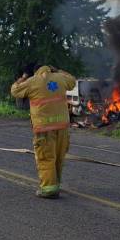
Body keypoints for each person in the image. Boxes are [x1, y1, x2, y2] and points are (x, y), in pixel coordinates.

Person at [11, 64, 76, 198]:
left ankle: (49, 189)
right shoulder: (60, 78)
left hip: (44, 128)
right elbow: (72, 81)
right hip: (62, 128)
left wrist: (22, 78)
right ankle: (55, 184)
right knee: (58, 158)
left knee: (46, 158)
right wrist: (59, 70)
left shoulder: (32, 81)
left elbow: (15, 91)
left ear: (36, 71)